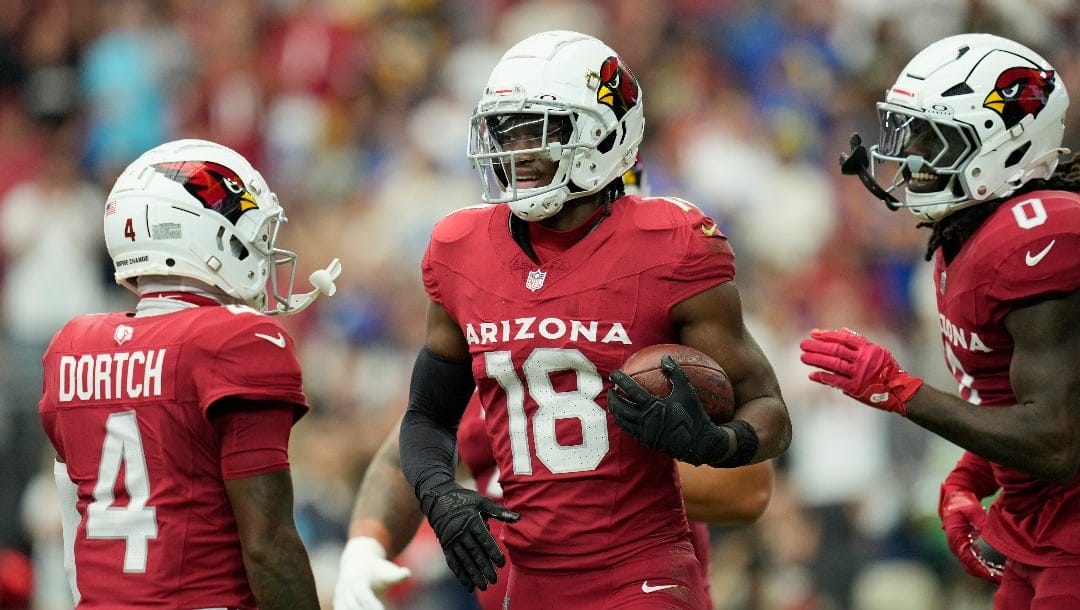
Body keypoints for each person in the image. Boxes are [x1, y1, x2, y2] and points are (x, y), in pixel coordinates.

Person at [397, 29, 791, 609]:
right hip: (528, 578)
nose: (517, 151)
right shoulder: (460, 248)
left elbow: (771, 409)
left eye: (539, 130)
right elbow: (427, 413)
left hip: (641, 570)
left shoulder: (669, 243)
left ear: (604, 133)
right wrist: (437, 491)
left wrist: (718, 441)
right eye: (507, 130)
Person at [799, 33, 1080, 609]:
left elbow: (1057, 440)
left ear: (1008, 145)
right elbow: (1031, 399)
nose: (912, 157)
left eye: (936, 138)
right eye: (910, 132)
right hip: (1039, 528)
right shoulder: (967, 232)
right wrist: (972, 476)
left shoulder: (1038, 235)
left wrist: (901, 392)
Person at [38, 138, 341, 608]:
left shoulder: (71, 348)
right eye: (251, 231)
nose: (263, 250)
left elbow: (71, 536)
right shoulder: (234, 340)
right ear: (201, 233)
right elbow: (269, 548)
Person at [334, 394, 775, 610]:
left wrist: (560, 479)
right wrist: (365, 545)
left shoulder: (640, 351)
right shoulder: (485, 366)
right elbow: (403, 458)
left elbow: (747, 488)